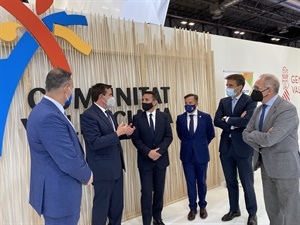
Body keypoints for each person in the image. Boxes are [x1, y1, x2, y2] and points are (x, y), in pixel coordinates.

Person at [26, 68, 93, 225]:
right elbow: (67, 158)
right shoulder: (49, 116)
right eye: (72, 87)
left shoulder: (43, 110)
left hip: (55, 192)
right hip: (60, 195)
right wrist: (87, 175)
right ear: (66, 88)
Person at [243, 74, 300, 225]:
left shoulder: (287, 109)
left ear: (268, 90)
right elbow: (245, 134)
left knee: (290, 212)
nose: (253, 91)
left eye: (256, 88)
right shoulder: (258, 110)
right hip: (266, 167)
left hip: (285, 168)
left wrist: (255, 135)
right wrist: (259, 135)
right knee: (272, 210)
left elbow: (271, 139)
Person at [80, 83, 135, 225]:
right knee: (101, 208)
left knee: (117, 207)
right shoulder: (88, 115)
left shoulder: (109, 113)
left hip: (116, 167)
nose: (112, 98)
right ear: (101, 97)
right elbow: (95, 143)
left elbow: (111, 137)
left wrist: (125, 133)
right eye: (110, 94)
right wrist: (118, 133)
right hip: (102, 170)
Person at [214, 74, 258, 225]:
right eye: (227, 85)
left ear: (240, 87)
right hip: (226, 148)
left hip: (243, 148)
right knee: (230, 182)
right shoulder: (223, 101)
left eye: (231, 86)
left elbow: (247, 121)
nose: (228, 88)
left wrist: (227, 119)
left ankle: (252, 213)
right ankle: (234, 209)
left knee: (247, 183)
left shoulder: (250, 101)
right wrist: (235, 121)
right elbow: (216, 121)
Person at [131, 91, 173, 225]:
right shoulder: (137, 117)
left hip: (161, 160)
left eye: (147, 99)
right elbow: (136, 139)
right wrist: (148, 152)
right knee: (147, 193)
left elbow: (168, 136)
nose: (144, 102)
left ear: (155, 102)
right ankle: (146, 221)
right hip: (145, 161)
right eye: (142, 99)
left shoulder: (164, 116)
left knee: (159, 191)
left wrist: (158, 152)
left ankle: (157, 217)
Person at [176, 93, 215, 221]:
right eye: (186, 103)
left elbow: (210, 134)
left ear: (196, 104)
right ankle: (192, 208)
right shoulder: (180, 118)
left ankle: (202, 206)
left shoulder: (206, 117)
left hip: (202, 155)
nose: (188, 105)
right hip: (187, 156)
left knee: (202, 182)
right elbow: (180, 135)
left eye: (190, 103)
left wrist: (200, 145)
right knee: (190, 182)